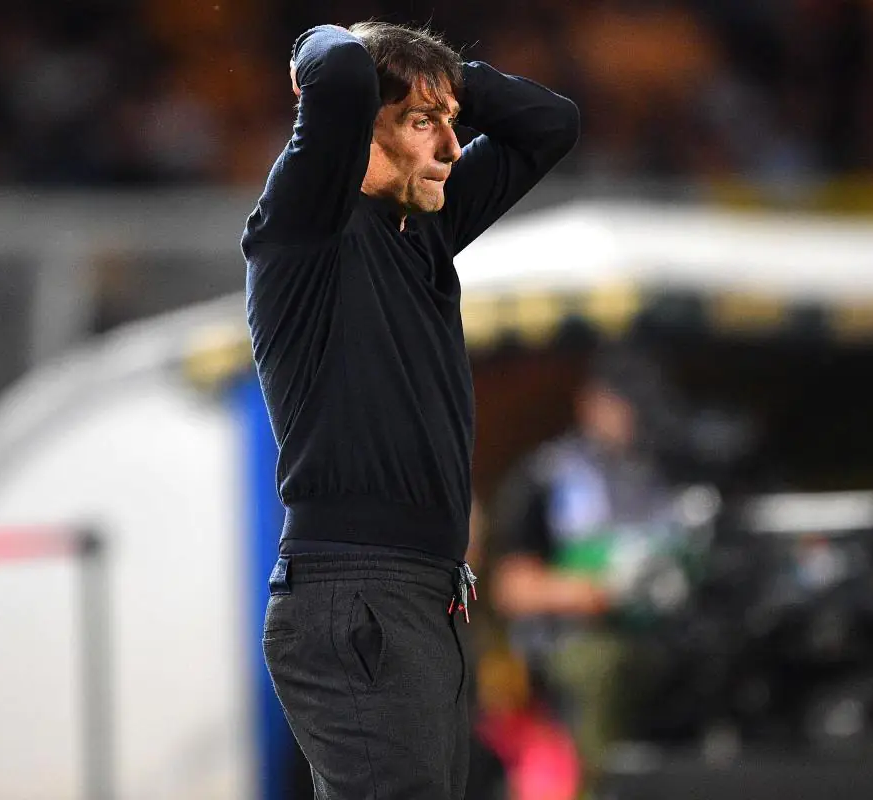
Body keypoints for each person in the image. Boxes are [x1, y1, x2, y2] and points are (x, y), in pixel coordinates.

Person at [241, 20, 580, 799]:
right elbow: (335, 68)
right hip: (357, 591)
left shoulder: (423, 230)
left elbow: (550, 124)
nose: (453, 148)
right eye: (424, 123)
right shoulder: (305, 226)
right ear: (358, 128)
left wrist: (438, 80)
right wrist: (335, 49)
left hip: (424, 595)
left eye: (451, 123)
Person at [490, 349, 689, 784]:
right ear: (592, 402)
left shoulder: (662, 474)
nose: (636, 417)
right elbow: (510, 587)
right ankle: (597, 785)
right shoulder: (551, 475)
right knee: (602, 664)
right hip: (574, 643)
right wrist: (591, 591)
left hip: (661, 637)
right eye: (625, 403)